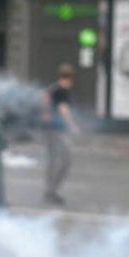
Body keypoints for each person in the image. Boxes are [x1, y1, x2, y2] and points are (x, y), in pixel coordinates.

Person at [42, 64, 79, 205]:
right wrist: (73, 126)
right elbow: (64, 110)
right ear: (70, 78)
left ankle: (49, 191)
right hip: (57, 131)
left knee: (53, 160)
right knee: (65, 160)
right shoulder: (63, 91)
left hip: (48, 129)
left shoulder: (52, 89)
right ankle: (52, 191)